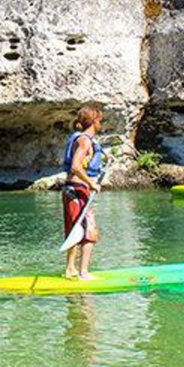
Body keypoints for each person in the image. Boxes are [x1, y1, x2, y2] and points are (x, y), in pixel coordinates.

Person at [62, 105, 105, 280]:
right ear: (94, 121)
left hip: (70, 189)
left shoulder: (81, 139)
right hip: (78, 190)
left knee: (75, 228)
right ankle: (83, 272)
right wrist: (91, 184)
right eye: (100, 120)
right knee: (89, 231)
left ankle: (70, 269)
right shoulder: (85, 140)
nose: (101, 124)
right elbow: (75, 166)